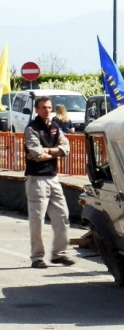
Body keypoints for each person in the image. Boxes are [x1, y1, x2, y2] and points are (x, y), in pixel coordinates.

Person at [24, 96, 74, 269]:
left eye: (49, 107)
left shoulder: (55, 127)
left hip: (53, 178)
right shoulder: (32, 128)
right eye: (44, 107)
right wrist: (54, 152)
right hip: (36, 179)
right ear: (37, 109)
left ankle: (59, 254)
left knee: (62, 216)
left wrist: (47, 150)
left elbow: (66, 148)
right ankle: (37, 257)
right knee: (37, 221)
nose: (47, 110)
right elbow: (37, 155)